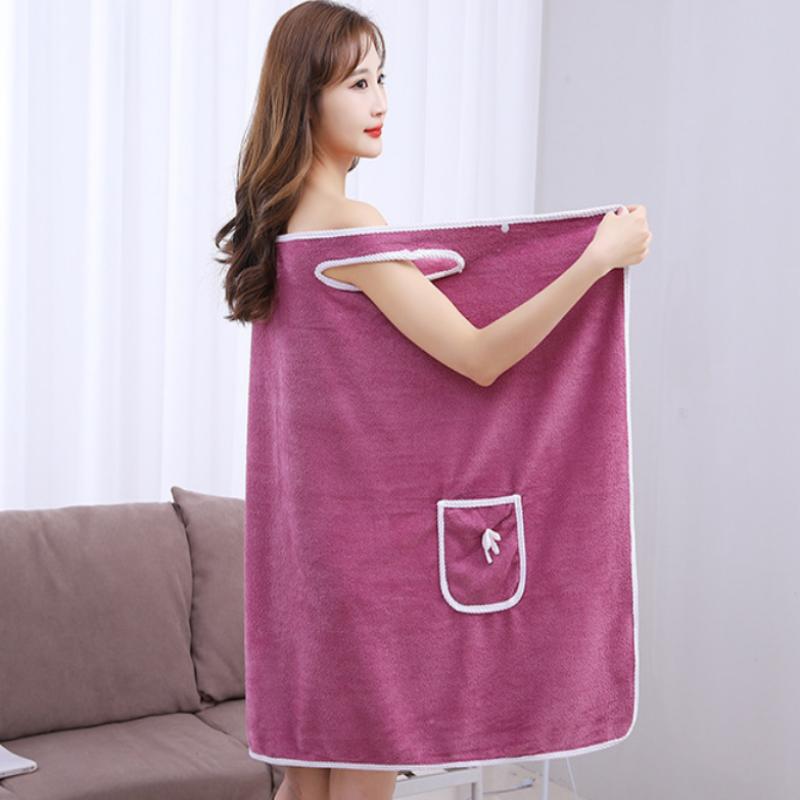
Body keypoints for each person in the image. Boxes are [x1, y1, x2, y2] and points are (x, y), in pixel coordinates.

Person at [215, 2, 652, 799]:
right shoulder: (350, 225)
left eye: (382, 79)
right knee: (363, 775)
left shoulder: (280, 231)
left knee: (307, 781)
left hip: (305, 552)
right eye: (357, 84)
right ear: (306, 96)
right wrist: (595, 259)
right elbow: (479, 357)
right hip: (364, 564)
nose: (380, 101)